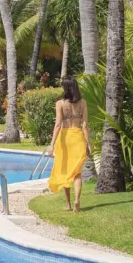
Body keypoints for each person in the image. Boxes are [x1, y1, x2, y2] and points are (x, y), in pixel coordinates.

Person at [44, 77, 92, 212]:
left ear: (65, 88)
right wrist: (88, 143)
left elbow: (58, 124)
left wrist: (52, 144)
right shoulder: (82, 103)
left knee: (66, 171)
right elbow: (85, 125)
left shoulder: (60, 103)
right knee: (77, 173)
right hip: (77, 138)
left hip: (64, 139)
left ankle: (68, 204)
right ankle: (77, 200)